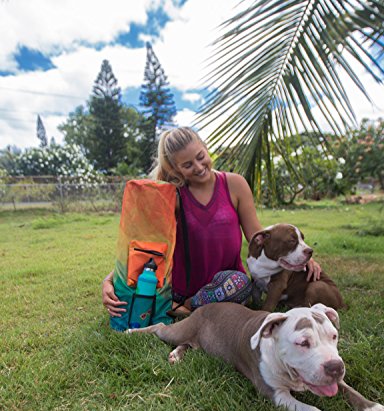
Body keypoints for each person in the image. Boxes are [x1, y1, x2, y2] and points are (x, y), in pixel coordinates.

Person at [102, 126, 321, 318]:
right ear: (175, 169)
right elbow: (147, 245)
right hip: (180, 288)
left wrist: (299, 256)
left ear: (206, 149)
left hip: (226, 287)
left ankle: (188, 308)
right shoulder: (173, 195)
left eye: (201, 156)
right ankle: (185, 306)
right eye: (187, 165)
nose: (198, 167)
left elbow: (259, 237)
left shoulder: (235, 185)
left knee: (241, 284)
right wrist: (110, 280)